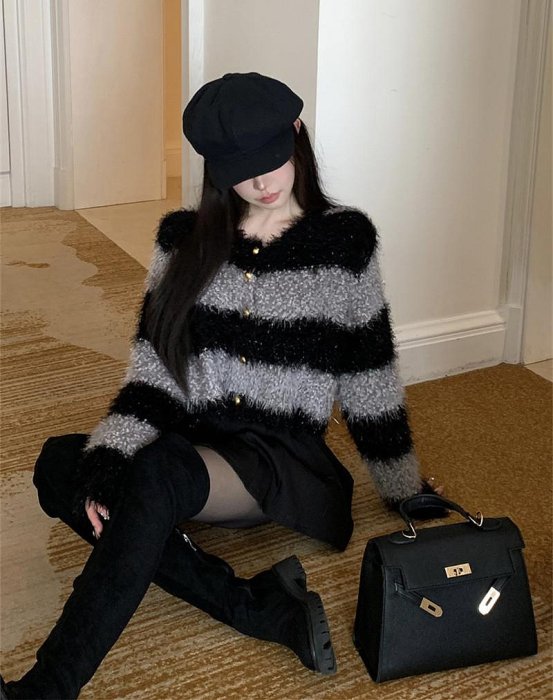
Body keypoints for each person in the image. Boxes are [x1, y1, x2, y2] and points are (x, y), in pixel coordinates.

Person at [1, 72, 444, 699]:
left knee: (154, 476)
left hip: (277, 459)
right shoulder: (182, 240)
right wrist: (110, 458)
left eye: (271, 159)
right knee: (60, 465)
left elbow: (370, 379)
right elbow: (155, 371)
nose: (262, 182)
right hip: (193, 438)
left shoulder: (344, 241)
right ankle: (257, 606)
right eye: (242, 170)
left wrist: (404, 489)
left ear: (296, 132)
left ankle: (46, 688)